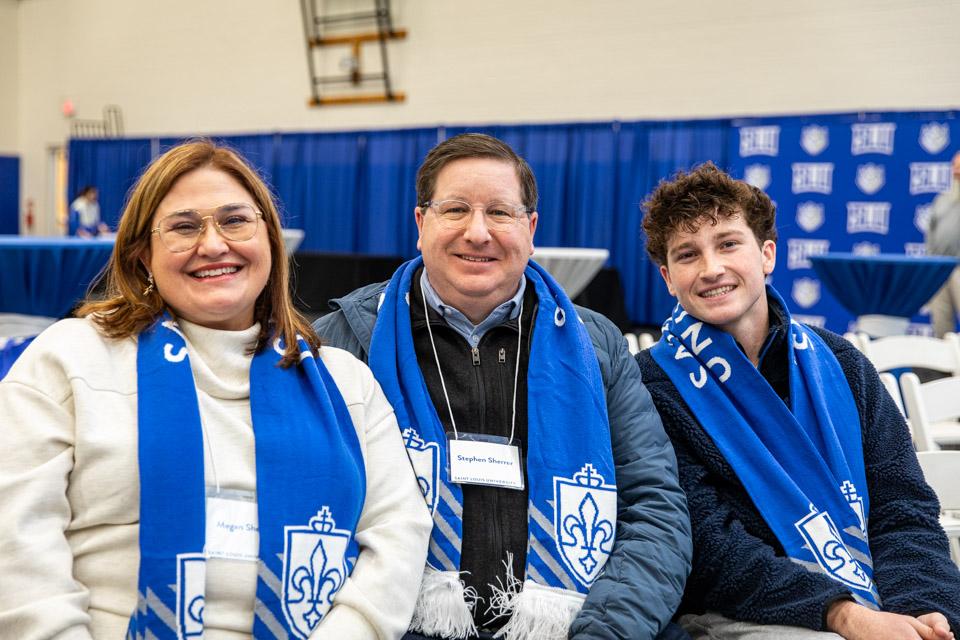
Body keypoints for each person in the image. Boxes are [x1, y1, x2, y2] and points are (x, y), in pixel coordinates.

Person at [0, 140, 432, 639]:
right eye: (184, 227)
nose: (212, 245)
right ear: (143, 253)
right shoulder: (68, 359)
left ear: (270, 238)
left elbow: (398, 533)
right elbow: (16, 539)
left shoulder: (343, 381)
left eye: (235, 221)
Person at [314, 133, 692, 640]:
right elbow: (315, 503)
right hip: (402, 626)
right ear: (420, 224)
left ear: (530, 228)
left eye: (499, 212)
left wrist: (606, 632)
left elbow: (655, 507)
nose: (477, 232)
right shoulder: (346, 339)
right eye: (454, 210)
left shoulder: (595, 344)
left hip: (580, 624)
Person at [636, 161, 960, 640]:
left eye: (728, 243)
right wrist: (844, 614)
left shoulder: (842, 363)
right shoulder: (653, 384)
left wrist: (924, 609)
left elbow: (901, 507)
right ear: (667, 277)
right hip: (741, 611)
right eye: (687, 255)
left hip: (878, 597)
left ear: (767, 254)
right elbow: (706, 546)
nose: (711, 269)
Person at [925, 151, 960, 337]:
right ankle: (942, 366)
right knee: (941, 320)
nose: (956, 170)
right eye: (955, 165)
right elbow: (931, 231)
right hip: (939, 269)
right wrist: (931, 262)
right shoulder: (942, 199)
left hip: (959, 268)